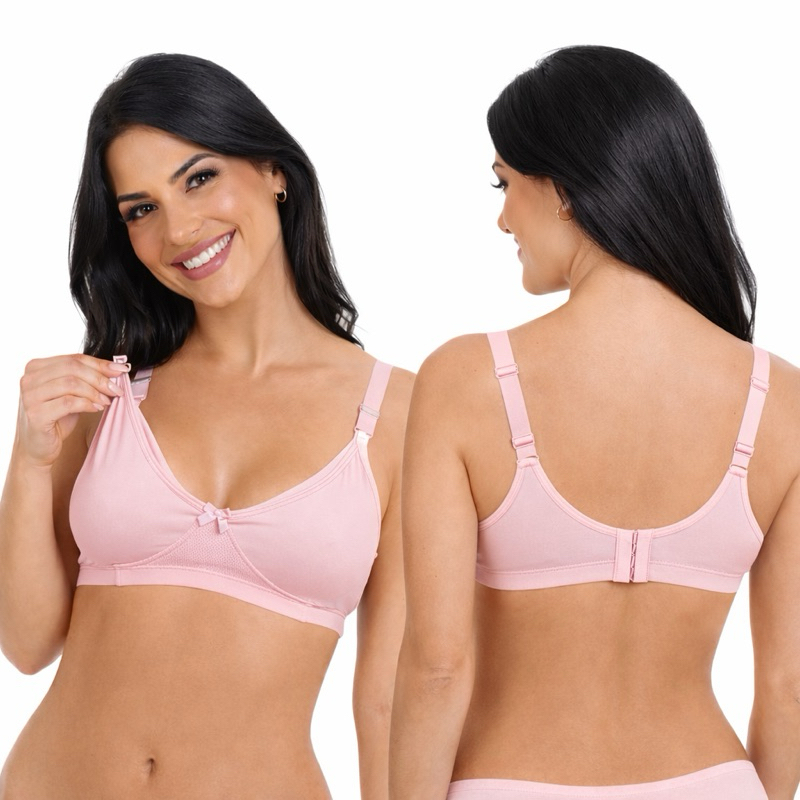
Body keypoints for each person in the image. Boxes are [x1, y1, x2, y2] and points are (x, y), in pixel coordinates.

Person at [390, 45, 799, 800]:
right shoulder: (782, 400)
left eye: (505, 183)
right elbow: (787, 688)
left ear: (564, 189)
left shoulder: (465, 380)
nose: (502, 217)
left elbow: (437, 667)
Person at [0, 53, 411, 799]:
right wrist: (28, 462)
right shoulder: (111, 390)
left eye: (198, 178)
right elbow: (27, 645)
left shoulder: (397, 414)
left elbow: (388, 697)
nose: (180, 228)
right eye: (141, 210)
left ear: (274, 170)